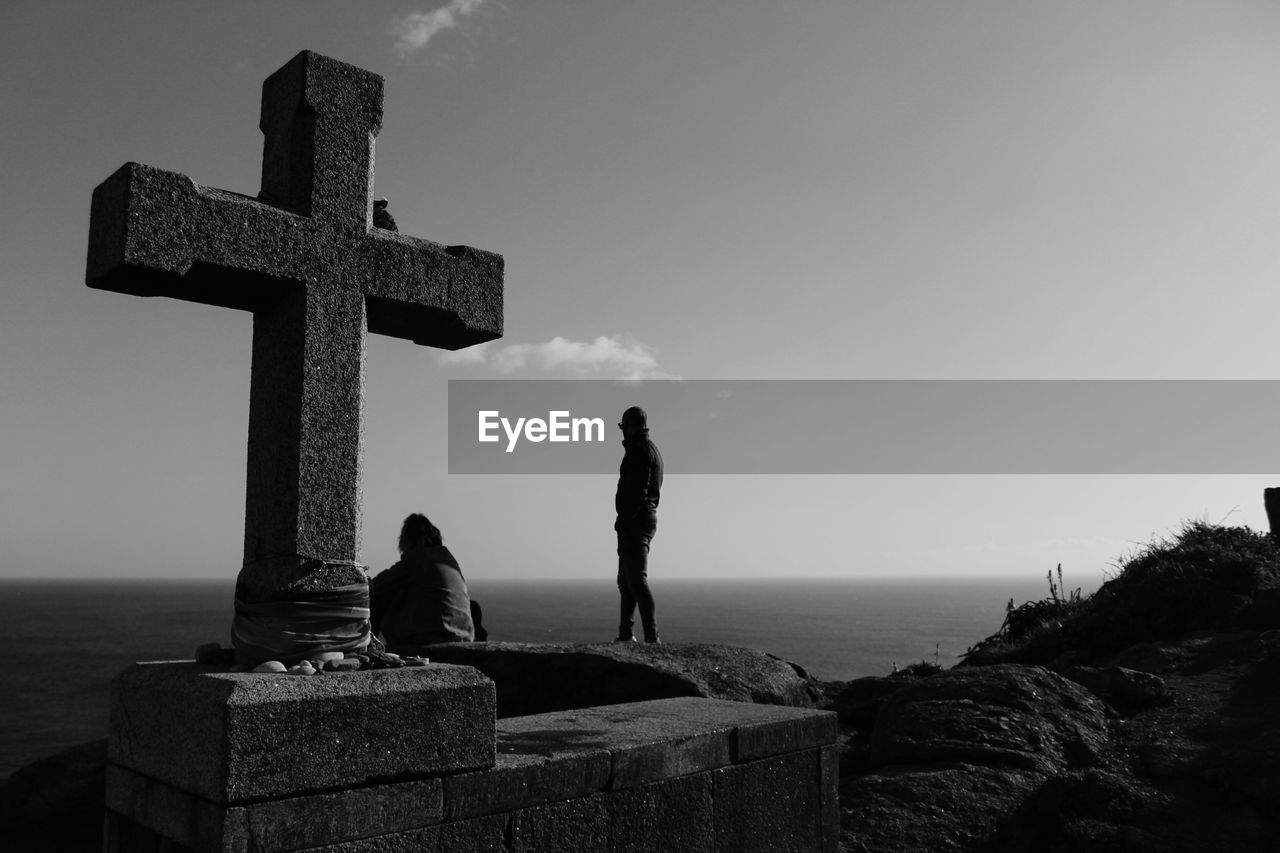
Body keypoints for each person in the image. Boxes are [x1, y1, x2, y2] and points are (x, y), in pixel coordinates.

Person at [370, 513, 475, 652]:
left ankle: (367, 650)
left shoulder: (418, 558)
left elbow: (375, 586)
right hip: (463, 637)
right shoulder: (448, 560)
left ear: (413, 540)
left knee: (379, 598)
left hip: (431, 639)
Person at [614, 405, 664, 643]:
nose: (622, 432)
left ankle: (652, 639)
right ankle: (625, 634)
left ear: (631, 426)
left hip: (636, 521)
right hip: (641, 519)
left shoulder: (640, 451)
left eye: (623, 427)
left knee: (636, 581)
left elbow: (638, 491)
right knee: (626, 581)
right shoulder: (648, 449)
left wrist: (625, 519)